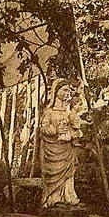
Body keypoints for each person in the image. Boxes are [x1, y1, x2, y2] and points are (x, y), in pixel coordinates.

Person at [40, 79, 83, 208]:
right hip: (52, 149)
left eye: (68, 90)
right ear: (56, 91)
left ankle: (67, 197)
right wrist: (55, 130)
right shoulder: (49, 112)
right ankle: (52, 198)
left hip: (67, 149)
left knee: (68, 173)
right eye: (64, 90)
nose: (67, 93)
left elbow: (75, 128)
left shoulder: (69, 112)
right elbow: (43, 129)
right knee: (52, 173)